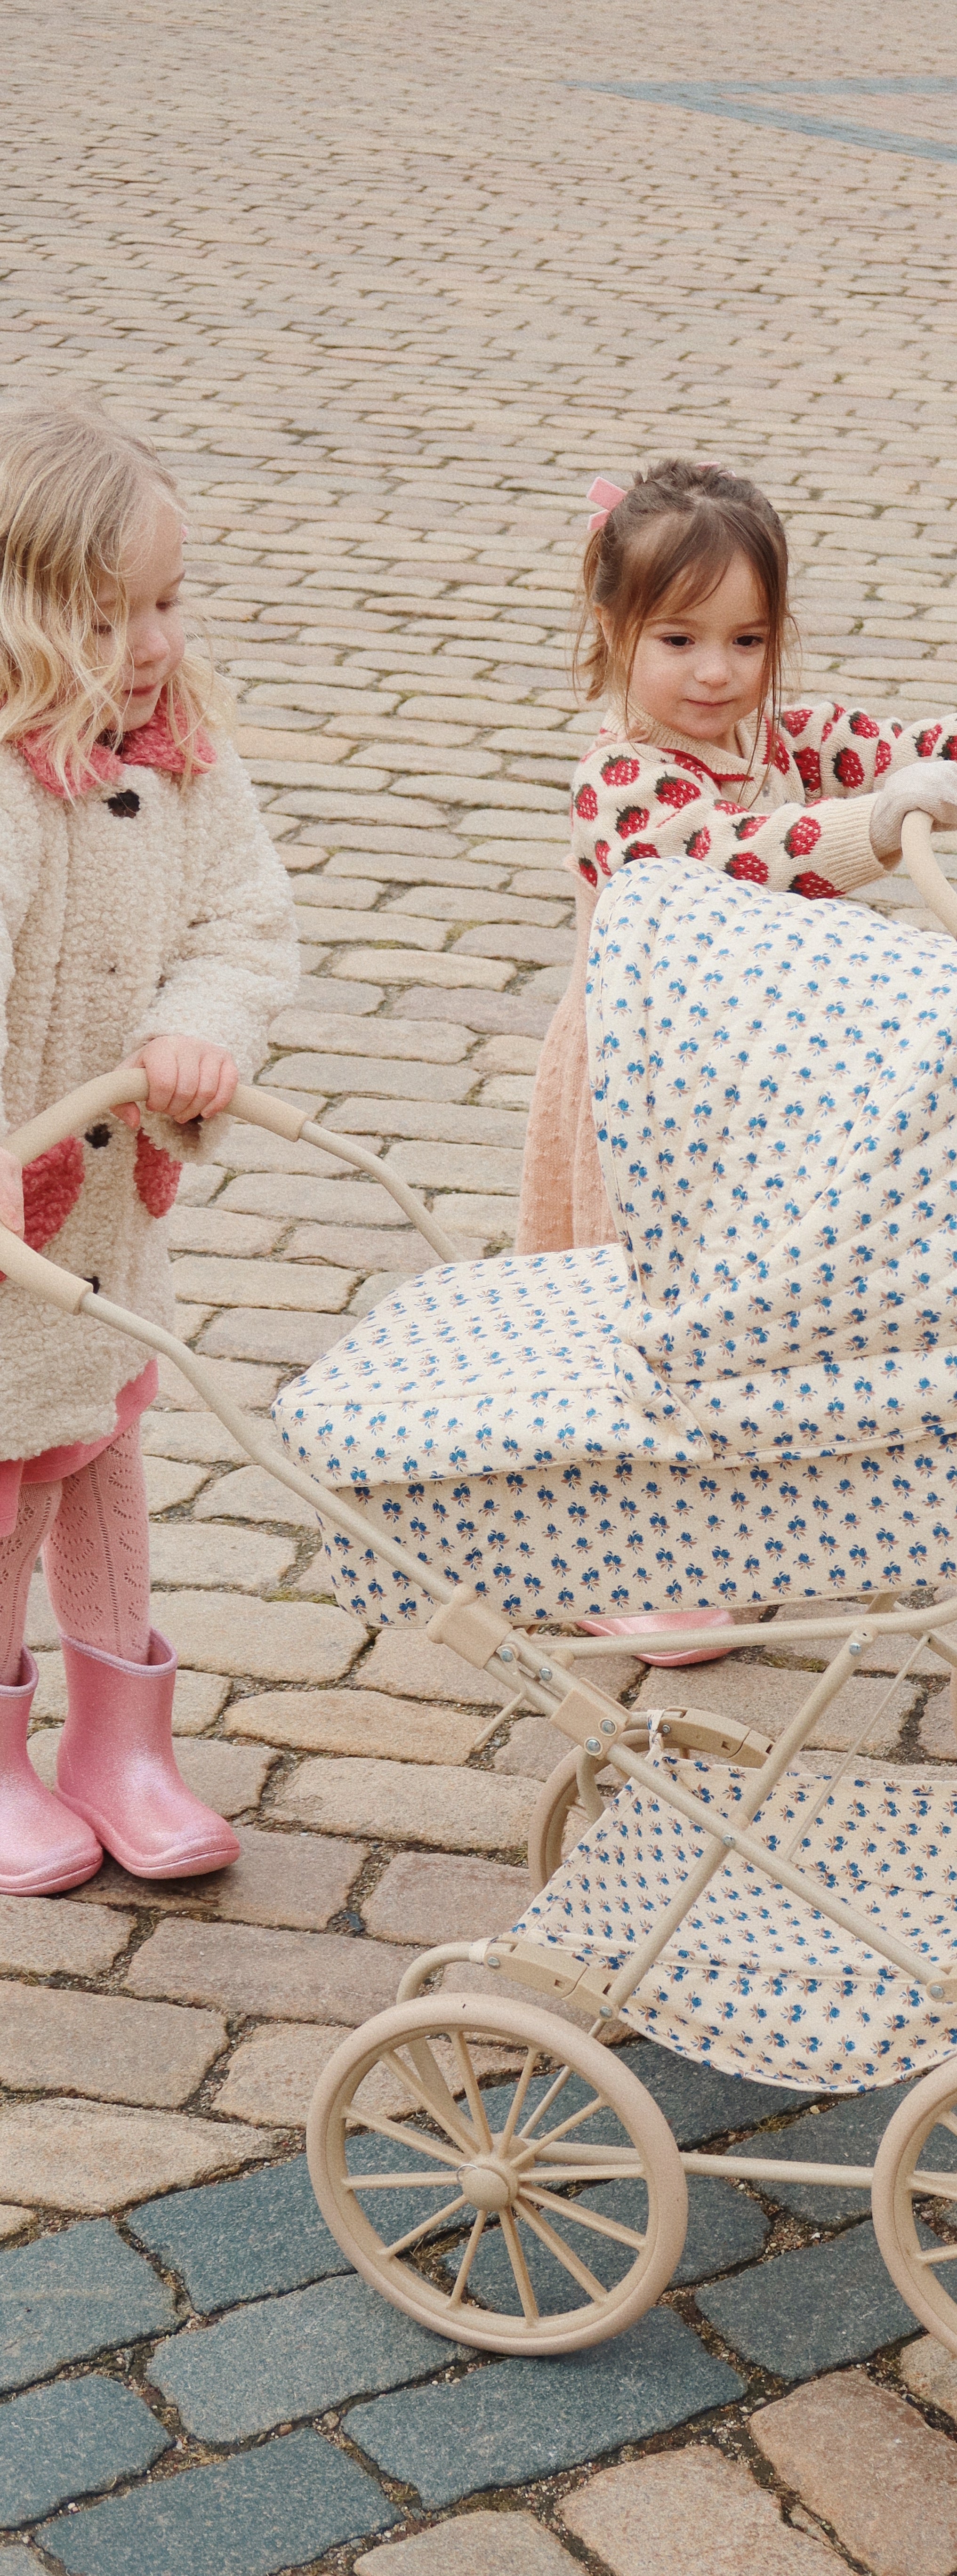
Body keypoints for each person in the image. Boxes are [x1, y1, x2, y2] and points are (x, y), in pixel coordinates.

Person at [517, 458, 957, 1663]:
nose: (716, 673)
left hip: (758, 1080)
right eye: (679, 640)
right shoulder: (625, 781)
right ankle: (616, 1548)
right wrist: (872, 828)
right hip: (643, 1085)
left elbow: (890, 743)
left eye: (748, 640)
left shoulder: (774, 733)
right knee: (640, 1309)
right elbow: (736, 854)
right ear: (615, 632)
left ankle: (737, 1501)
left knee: (748, 1302)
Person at [0, 395, 298, 1894]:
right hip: (12, 1219)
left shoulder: (184, 757)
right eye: (112, 617)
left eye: (169, 604)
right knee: (10, 1472)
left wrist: (202, 1027)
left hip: (111, 1215)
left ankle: (121, 1746)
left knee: (107, 1440)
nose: (153, 643)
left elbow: (242, 920)